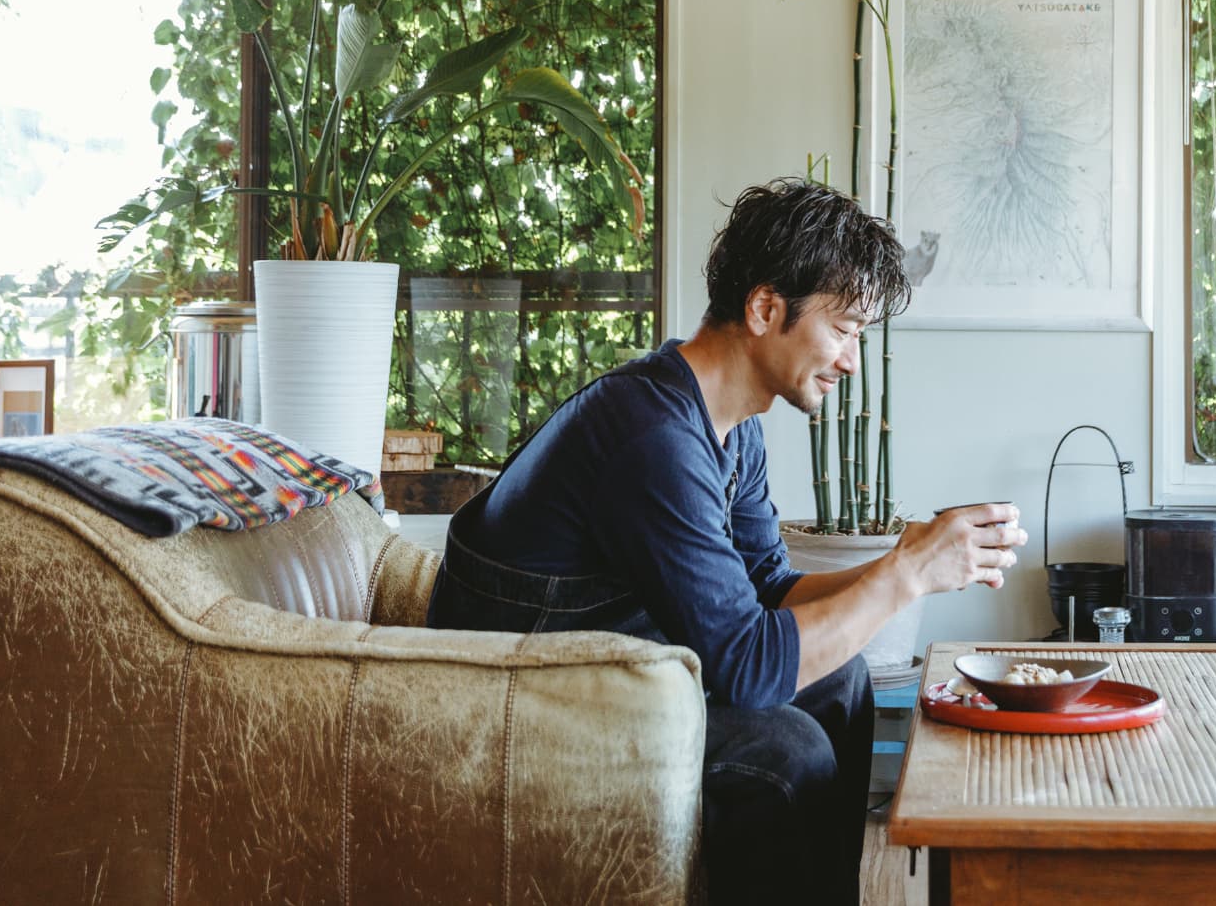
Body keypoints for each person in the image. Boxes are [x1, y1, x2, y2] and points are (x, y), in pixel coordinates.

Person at [427, 178, 1028, 905]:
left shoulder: (731, 425)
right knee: (785, 750)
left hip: (611, 667)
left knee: (842, 682)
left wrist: (920, 556)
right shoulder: (653, 437)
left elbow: (770, 588)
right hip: (521, 705)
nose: (852, 361)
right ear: (765, 308)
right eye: (842, 330)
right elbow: (746, 665)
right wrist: (905, 572)